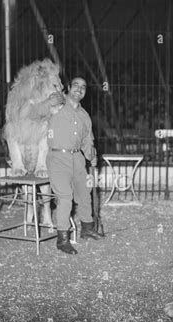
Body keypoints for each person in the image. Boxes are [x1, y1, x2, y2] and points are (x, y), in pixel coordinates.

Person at [46, 76, 103, 254]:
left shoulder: (84, 115)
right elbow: (35, 113)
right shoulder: (56, 107)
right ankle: (62, 239)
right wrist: (49, 102)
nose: (79, 89)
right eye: (76, 85)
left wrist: (91, 155)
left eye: (83, 87)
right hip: (58, 158)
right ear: (68, 87)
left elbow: (87, 140)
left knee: (84, 195)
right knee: (65, 197)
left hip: (77, 158)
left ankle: (87, 229)